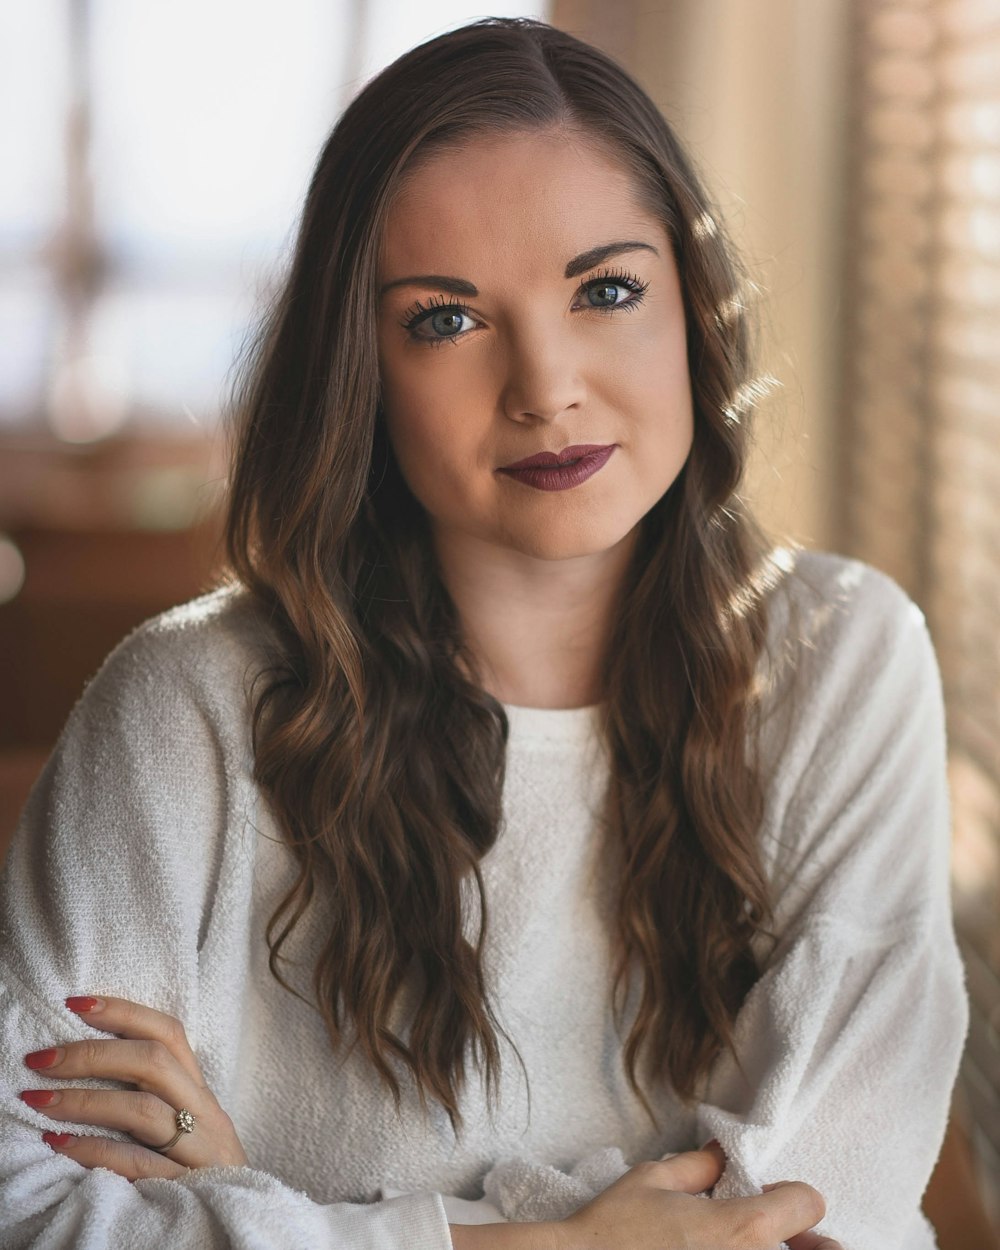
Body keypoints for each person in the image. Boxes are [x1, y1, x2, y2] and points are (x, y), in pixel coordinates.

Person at [0, 17, 966, 1250]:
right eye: (446, 319)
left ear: (693, 306)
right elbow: (26, 1203)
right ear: (360, 363)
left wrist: (258, 1210)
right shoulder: (184, 707)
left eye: (606, 288)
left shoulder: (840, 661)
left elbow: (820, 1222)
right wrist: (553, 1242)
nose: (545, 383)